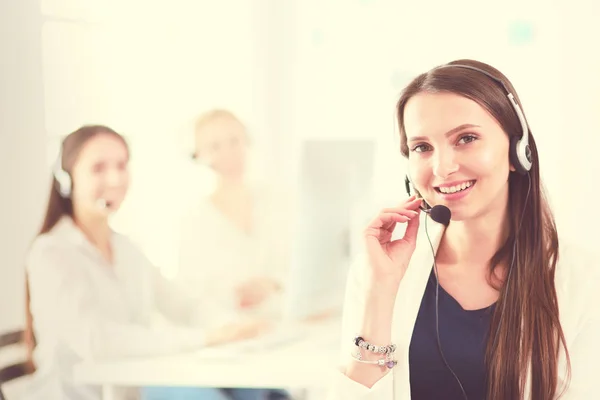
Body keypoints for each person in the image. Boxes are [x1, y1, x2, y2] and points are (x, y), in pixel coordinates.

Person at [327, 59, 600, 399]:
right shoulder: (380, 271)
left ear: (519, 151)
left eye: (466, 138)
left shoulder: (585, 281)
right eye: (422, 147)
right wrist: (381, 291)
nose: (442, 167)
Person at [23, 125, 271, 400]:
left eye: (121, 165)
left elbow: (183, 304)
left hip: (128, 388)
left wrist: (232, 327)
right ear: (67, 179)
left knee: (258, 391)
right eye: (98, 168)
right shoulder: (51, 253)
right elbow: (98, 342)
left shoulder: (125, 248)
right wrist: (206, 338)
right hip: (83, 395)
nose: (115, 178)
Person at [177, 109, 291, 326]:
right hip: (230, 333)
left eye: (234, 141)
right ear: (198, 155)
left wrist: (273, 284)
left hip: (282, 323)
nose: (229, 152)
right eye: (215, 146)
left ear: (247, 142)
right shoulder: (195, 219)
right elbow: (189, 294)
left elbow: (297, 264)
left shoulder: (279, 200)